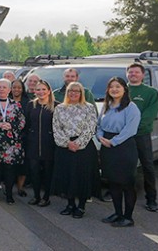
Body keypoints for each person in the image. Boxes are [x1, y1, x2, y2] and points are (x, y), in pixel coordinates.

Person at [52, 82, 99, 219]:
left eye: (76, 91)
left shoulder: (89, 108)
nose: (73, 93)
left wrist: (78, 143)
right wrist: (67, 143)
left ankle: (81, 205)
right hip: (65, 147)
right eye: (70, 91)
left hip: (83, 148)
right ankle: (70, 203)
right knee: (68, 176)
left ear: (81, 93)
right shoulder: (60, 108)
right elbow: (56, 128)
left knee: (82, 177)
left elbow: (90, 128)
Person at [98, 77, 141, 227]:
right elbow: (99, 125)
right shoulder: (106, 106)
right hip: (107, 147)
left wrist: (113, 141)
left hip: (123, 147)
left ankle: (128, 217)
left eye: (118, 86)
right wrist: (100, 137)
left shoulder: (131, 107)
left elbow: (130, 129)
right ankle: (118, 213)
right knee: (113, 183)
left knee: (127, 183)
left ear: (124, 89)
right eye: (111, 87)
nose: (114, 89)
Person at [126, 62, 158, 212]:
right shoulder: (120, 89)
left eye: (136, 72)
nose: (133, 75)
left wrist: (132, 128)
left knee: (147, 166)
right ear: (126, 74)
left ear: (142, 74)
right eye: (130, 72)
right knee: (124, 166)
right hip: (123, 136)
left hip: (141, 135)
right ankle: (122, 192)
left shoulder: (150, 92)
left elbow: (148, 116)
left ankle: (151, 199)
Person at [25, 80, 58, 207]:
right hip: (33, 144)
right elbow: (26, 124)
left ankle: (46, 197)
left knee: (48, 172)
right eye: (38, 90)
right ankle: (36, 195)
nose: (41, 92)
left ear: (49, 91)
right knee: (34, 171)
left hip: (49, 144)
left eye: (43, 89)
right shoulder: (30, 105)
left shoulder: (56, 106)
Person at [10, 78, 31, 196]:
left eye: (19, 87)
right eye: (14, 87)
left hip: (24, 137)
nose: (16, 89)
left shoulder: (28, 103)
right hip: (8, 138)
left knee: (23, 164)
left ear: (23, 89)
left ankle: (20, 187)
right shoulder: (6, 101)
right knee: (9, 163)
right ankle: (8, 185)